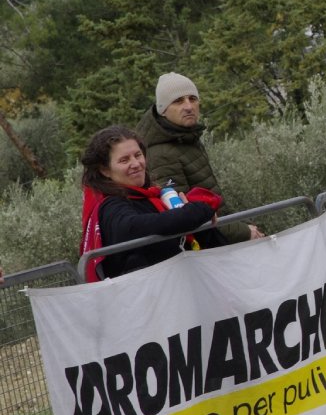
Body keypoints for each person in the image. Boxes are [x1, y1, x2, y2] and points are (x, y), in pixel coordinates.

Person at [80, 126, 225, 278]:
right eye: (124, 160)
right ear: (105, 170)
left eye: (138, 155)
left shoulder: (151, 195)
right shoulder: (110, 206)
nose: (136, 163)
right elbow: (137, 227)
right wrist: (197, 211)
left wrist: (196, 209)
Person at [135, 73, 262, 242]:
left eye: (193, 99)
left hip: (219, 236)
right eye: (178, 101)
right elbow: (185, 214)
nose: (188, 106)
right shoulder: (162, 154)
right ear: (162, 110)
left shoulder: (185, 138)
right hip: (207, 248)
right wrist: (244, 232)